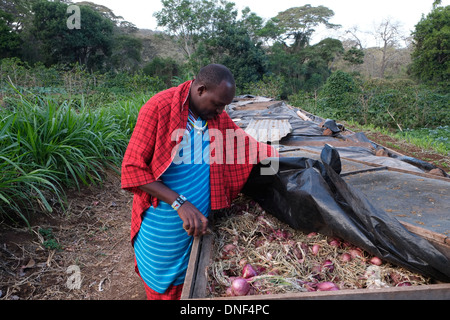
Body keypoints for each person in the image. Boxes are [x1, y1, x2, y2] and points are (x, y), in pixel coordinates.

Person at [121, 64, 277, 300]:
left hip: (197, 224)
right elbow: (133, 169)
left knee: (191, 284)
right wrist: (179, 203)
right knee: (162, 284)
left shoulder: (214, 117)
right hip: (163, 227)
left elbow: (243, 145)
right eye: (217, 104)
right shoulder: (159, 108)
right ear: (201, 89)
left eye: (224, 106)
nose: (221, 111)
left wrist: (278, 159)